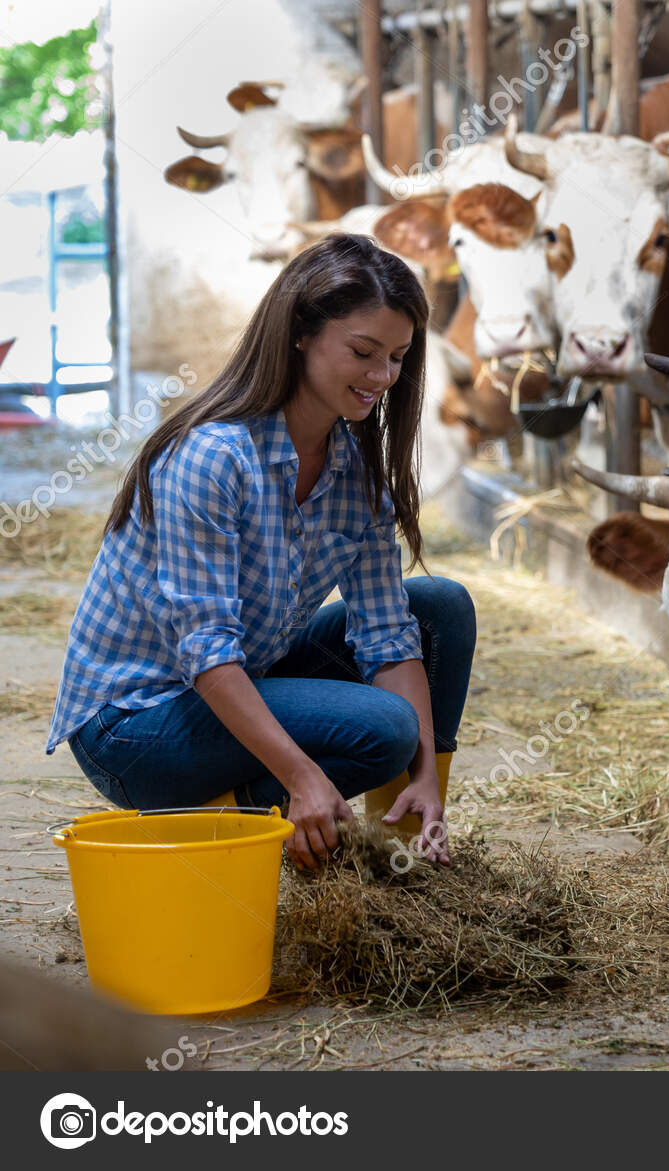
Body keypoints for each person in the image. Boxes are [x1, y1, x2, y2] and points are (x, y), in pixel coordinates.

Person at [44, 234, 475, 869]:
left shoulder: (358, 471)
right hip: (136, 727)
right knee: (384, 727)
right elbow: (208, 651)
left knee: (439, 607)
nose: (383, 377)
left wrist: (427, 778)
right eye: (363, 352)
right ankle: (235, 818)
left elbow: (386, 633)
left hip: (242, 682)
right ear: (301, 332)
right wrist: (301, 775)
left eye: (398, 357)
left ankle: (402, 842)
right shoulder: (213, 457)